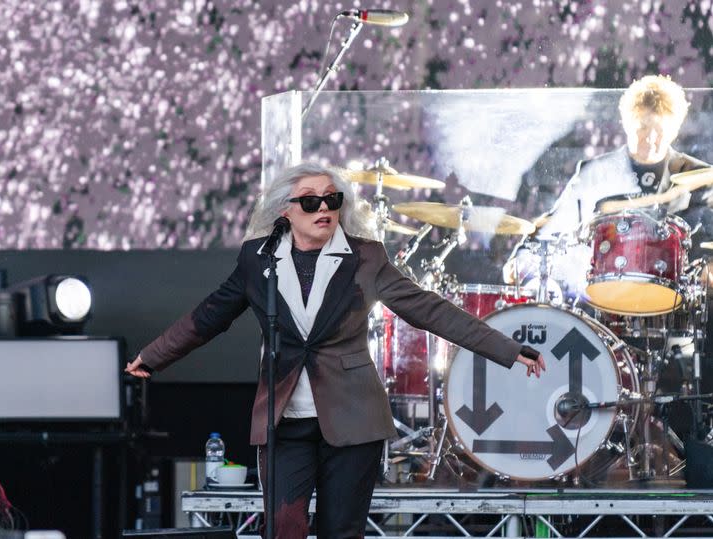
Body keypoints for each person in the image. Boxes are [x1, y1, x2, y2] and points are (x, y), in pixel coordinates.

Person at [126, 162, 545, 538]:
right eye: (310, 202)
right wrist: (154, 356)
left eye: (332, 199)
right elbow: (210, 315)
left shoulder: (366, 258)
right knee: (283, 529)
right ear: (285, 211)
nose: (324, 208)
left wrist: (506, 349)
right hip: (285, 421)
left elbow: (429, 310)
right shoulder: (258, 259)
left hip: (352, 418)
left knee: (341, 530)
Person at [505, 74, 712, 293]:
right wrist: (522, 259)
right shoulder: (596, 173)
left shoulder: (698, 176)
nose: (650, 139)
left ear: (675, 130)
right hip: (603, 297)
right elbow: (556, 222)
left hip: (672, 301)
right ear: (627, 124)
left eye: (660, 130)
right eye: (642, 127)